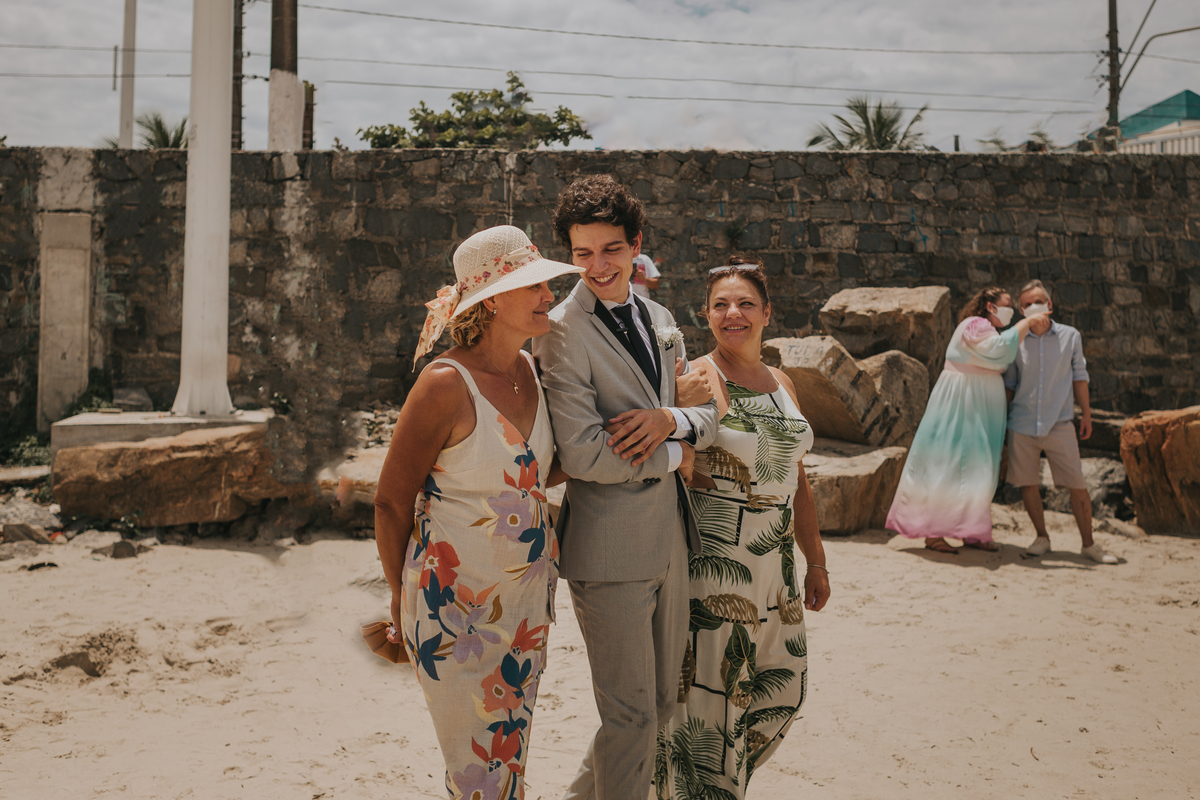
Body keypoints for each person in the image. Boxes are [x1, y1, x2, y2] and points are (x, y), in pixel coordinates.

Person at [373, 225, 582, 800]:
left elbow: (533, 472)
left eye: (546, 284)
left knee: (505, 763)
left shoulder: (530, 370)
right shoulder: (444, 384)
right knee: (479, 779)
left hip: (526, 608)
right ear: (491, 300)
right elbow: (390, 500)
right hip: (452, 614)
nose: (548, 295)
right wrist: (398, 596)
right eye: (533, 285)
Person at [532, 174, 720, 800]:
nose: (597, 266)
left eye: (611, 249)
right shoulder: (559, 329)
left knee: (659, 707)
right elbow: (584, 453)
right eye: (582, 253)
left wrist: (671, 420)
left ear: (636, 245)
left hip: (670, 538)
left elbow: (706, 413)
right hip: (609, 549)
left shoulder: (660, 317)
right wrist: (676, 451)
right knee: (631, 716)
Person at [656, 255, 831, 799]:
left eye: (745, 303)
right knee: (713, 703)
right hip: (718, 564)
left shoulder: (783, 381)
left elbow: (796, 477)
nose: (733, 313)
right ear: (706, 315)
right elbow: (672, 460)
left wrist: (816, 561)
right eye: (721, 305)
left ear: (767, 313)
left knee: (783, 690)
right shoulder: (695, 377)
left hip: (776, 563)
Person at [885, 287, 1049, 554]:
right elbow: (999, 350)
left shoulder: (987, 328)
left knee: (979, 467)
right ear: (990, 307)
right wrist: (1026, 323)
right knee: (949, 464)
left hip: (980, 404)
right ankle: (934, 534)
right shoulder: (976, 325)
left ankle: (972, 531)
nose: (1010, 310)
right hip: (963, 402)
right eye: (1007, 304)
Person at [1005, 280, 1117, 564]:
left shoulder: (1071, 336)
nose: (1034, 306)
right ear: (1021, 310)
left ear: (1050, 304)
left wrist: (1086, 414)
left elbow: (1080, 375)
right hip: (1022, 423)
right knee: (1028, 483)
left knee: (1077, 485)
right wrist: (1001, 420)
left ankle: (1089, 545)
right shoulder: (1015, 339)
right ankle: (1042, 537)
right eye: (1027, 304)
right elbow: (1010, 382)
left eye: (1038, 301)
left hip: (1060, 422)